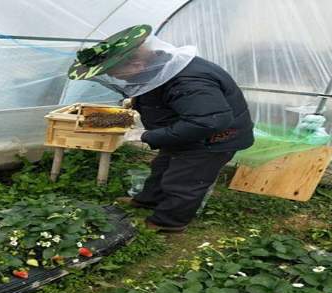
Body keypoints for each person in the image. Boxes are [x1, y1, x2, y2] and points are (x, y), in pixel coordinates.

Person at [67, 24, 254, 232]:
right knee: (162, 168)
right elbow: (156, 92)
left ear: (137, 64)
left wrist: (148, 135)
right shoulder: (156, 66)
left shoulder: (188, 81)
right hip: (184, 133)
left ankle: (167, 222)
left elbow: (208, 121)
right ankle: (148, 200)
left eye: (115, 72)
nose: (114, 77)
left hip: (213, 140)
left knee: (183, 182)